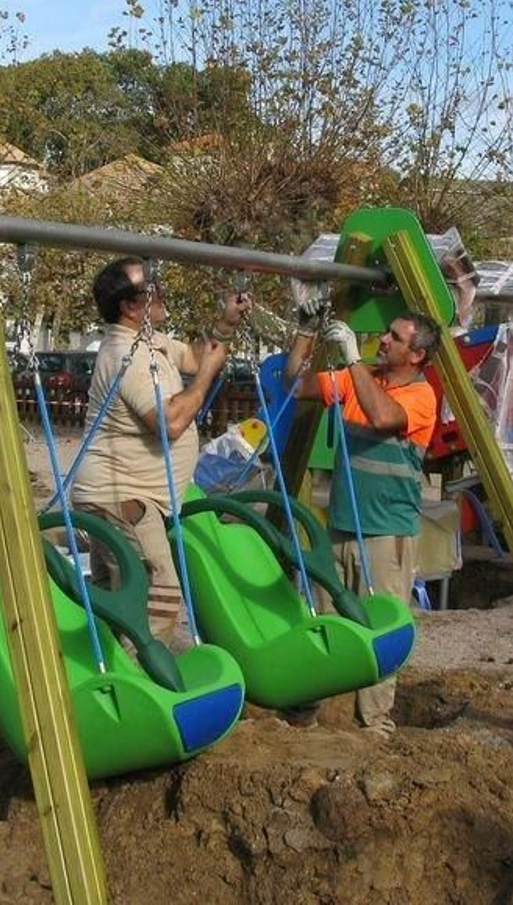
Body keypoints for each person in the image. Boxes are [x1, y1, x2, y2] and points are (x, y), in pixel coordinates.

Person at [70, 256, 252, 643]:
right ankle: (142, 678)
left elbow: (196, 356)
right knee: (159, 590)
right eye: (149, 286)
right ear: (129, 306)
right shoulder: (127, 355)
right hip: (117, 497)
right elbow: (169, 424)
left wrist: (226, 323)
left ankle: (111, 677)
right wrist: (205, 377)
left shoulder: (150, 341)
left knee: (119, 599)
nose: (159, 288)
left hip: (130, 495)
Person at [285, 304, 440, 737]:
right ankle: (306, 708)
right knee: (326, 620)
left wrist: (353, 359)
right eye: (386, 333)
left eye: (395, 337)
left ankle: (374, 722)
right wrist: (304, 330)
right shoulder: (362, 379)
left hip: (386, 533)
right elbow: (296, 383)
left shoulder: (420, 396)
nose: (384, 340)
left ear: (416, 356)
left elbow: (383, 417)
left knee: (381, 626)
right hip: (340, 526)